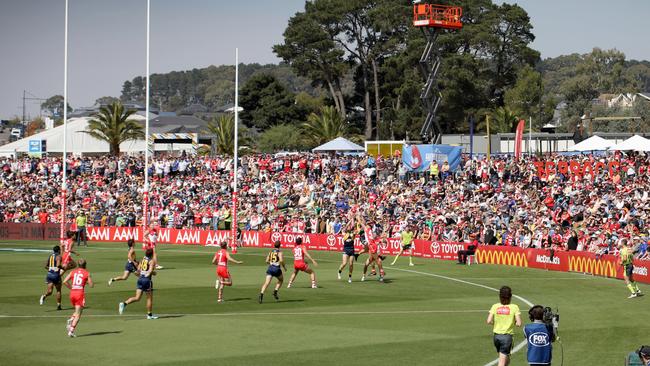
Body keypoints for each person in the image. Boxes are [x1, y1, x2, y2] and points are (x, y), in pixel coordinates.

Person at [487, 286, 522, 366]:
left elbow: (489, 321)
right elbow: (519, 323)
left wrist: (495, 323)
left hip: (496, 336)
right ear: (510, 296)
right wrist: (515, 322)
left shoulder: (495, 306)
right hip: (507, 337)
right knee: (502, 362)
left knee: (505, 356)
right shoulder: (514, 307)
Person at [119, 248, 158, 319]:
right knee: (149, 298)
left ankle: (124, 303)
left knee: (137, 298)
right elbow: (150, 271)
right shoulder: (151, 261)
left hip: (140, 279)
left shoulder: (142, 260)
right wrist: (154, 273)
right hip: (147, 280)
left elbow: (138, 270)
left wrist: (142, 273)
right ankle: (149, 315)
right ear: (152, 254)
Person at [62, 259, 94, 337]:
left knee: (78, 310)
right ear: (85, 265)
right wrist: (88, 280)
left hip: (72, 293)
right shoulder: (87, 273)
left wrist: (71, 288)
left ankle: (71, 319)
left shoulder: (72, 272)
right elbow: (91, 285)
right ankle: (71, 331)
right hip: (79, 294)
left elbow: (64, 281)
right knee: (78, 314)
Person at [39, 245, 63, 310]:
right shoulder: (59, 256)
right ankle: (59, 305)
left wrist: (51, 269)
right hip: (56, 275)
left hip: (49, 275)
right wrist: (63, 267)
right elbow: (58, 265)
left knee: (50, 291)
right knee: (58, 290)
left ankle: (44, 296)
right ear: (58, 250)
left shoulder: (50, 256)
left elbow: (45, 266)